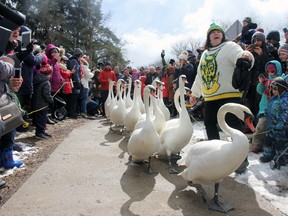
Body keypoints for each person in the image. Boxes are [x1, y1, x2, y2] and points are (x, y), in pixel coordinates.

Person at [189, 23, 254, 174]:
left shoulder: (230, 46)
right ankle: (215, 156)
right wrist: (194, 93)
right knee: (209, 124)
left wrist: (246, 56)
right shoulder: (204, 54)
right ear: (209, 38)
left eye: (218, 31)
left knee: (233, 126)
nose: (216, 33)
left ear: (222, 35)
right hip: (210, 97)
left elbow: (242, 55)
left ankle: (241, 160)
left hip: (229, 94)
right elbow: (200, 76)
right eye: (212, 32)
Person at [251, 60, 282, 153]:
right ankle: (257, 144)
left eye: (272, 71)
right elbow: (259, 91)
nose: (270, 73)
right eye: (268, 71)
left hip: (277, 109)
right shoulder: (266, 82)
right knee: (261, 126)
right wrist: (261, 83)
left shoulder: (281, 80)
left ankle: (272, 146)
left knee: (274, 129)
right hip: (265, 108)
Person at [259, 77, 288, 166]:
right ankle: (268, 155)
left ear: (282, 88)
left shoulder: (285, 100)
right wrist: (264, 113)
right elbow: (270, 109)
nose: (274, 91)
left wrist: (281, 122)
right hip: (271, 125)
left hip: (281, 128)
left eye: (276, 89)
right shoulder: (274, 98)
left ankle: (281, 158)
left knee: (280, 143)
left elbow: (286, 112)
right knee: (268, 140)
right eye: (272, 89)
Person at [244, 31, 269, 118]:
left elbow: (269, 66)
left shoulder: (267, 51)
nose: (256, 43)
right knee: (249, 104)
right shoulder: (250, 52)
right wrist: (245, 54)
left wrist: (261, 54)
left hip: (261, 82)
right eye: (254, 41)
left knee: (259, 103)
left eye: (259, 40)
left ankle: (258, 124)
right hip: (250, 82)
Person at [32, 61, 54, 139]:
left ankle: (41, 131)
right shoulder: (46, 83)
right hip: (42, 104)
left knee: (39, 117)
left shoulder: (37, 79)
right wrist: (51, 101)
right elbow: (46, 94)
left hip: (36, 103)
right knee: (42, 118)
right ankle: (39, 132)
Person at [66, 48, 83, 119]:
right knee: (73, 98)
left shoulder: (73, 60)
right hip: (73, 82)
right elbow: (75, 72)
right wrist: (77, 81)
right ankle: (71, 113)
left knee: (74, 98)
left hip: (73, 81)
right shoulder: (74, 61)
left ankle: (72, 112)